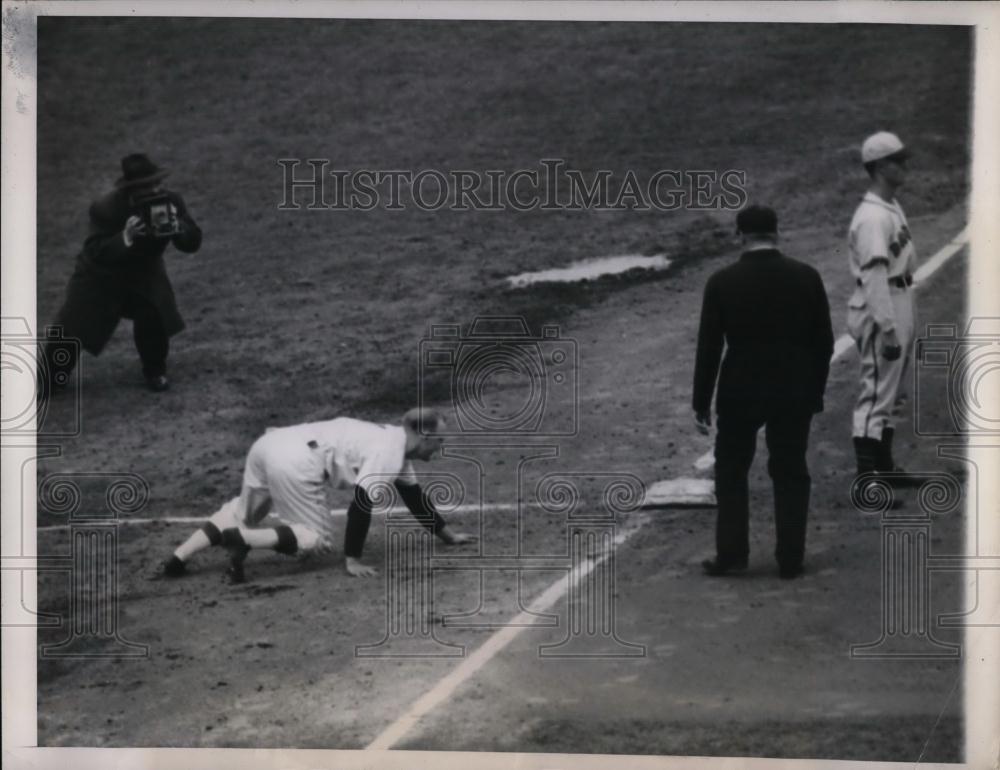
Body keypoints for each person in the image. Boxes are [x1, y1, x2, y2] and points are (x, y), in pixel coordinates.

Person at [160, 407, 477, 583]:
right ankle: (243, 539)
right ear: (421, 434)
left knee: (244, 511)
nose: (441, 447)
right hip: (297, 460)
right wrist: (352, 559)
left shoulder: (392, 445)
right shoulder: (388, 453)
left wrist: (448, 536)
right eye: (439, 440)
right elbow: (361, 505)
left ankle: (179, 558)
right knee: (315, 541)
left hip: (268, 444)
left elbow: (413, 497)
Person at [692, 205, 834, 579]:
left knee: (732, 470)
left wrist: (700, 402)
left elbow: (709, 348)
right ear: (776, 233)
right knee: (790, 470)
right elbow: (824, 343)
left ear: (740, 235)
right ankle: (790, 558)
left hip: (740, 389)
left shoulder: (722, 282)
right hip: (793, 388)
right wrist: (814, 390)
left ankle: (732, 554)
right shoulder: (807, 277)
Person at [42, 153, 202, 395]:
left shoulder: (172, 202)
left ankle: (155, 371)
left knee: (155, 314)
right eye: (148, 187)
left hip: (144, 273)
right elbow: (96, 251)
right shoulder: (106, 208)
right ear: (132, 190)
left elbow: (193, 243)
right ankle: (50, 377)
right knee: (73, 327)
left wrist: (180, 228)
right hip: (99, 276)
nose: (156, 191)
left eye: (158, 184)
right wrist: (125, 237)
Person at [847, 132, 920, 485]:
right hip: (882, 303)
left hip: (900, 297)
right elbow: (874, 276)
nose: (905, 165)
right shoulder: (873, 218)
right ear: (878, 167)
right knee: (875, 391)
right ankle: (867, 478)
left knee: (893, 392)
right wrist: (888, 326)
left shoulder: (890, 206)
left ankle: (885, 469)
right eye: (897, 160)